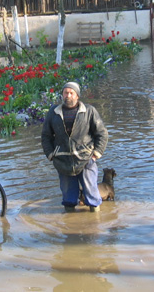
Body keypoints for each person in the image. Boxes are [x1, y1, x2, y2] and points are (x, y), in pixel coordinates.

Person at [41, 82, 108, 212]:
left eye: (71, 93)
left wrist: (95, 155)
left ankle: (96, 224)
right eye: (66, 92)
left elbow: (102, 133)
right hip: (63, 161)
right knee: (68, 198)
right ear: (62, 95)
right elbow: (46, 136)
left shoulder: (89, 111)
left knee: (92, 196)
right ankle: (70, 224)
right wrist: (50, 155)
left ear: (77, 95)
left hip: (86, 159)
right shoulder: (54, 113)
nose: (68, 95)